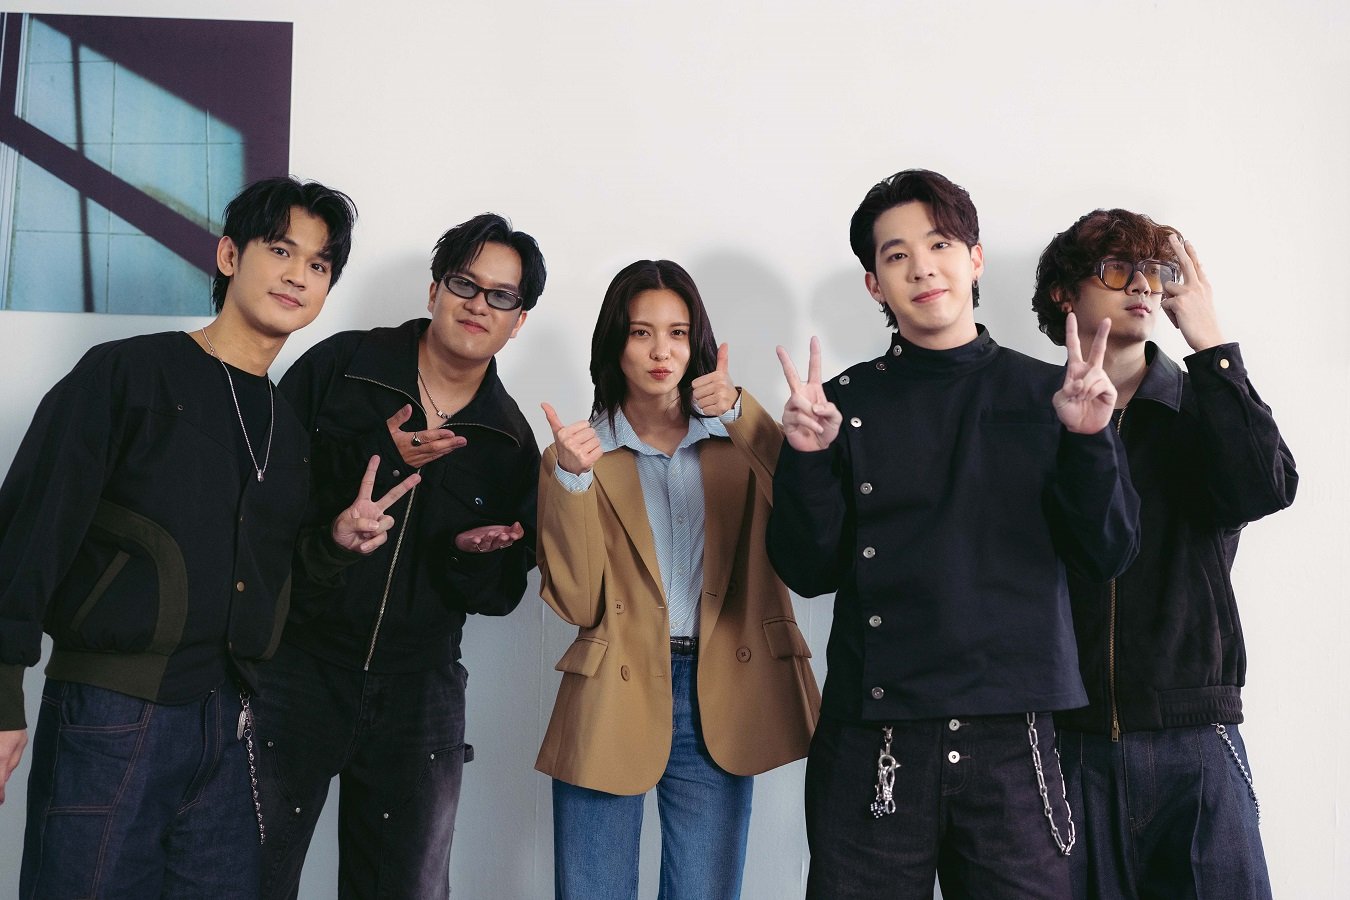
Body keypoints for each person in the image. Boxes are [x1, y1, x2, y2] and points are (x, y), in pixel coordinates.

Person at [0, 177, 415, 898]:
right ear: (229, 255)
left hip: (231, 724)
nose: (298, 275)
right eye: (280, 250)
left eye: (318, 264)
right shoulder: (127, 373)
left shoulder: (287, 427)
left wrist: (333, 543)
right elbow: (29, 530)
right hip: (111, 715)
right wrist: (2, 692)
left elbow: (266, 573)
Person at [766, 168, 1141, 899]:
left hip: (1013, 735)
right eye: (896, 254)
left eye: (939, 244)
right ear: (874, 285)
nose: (922, 267)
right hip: (875, 734)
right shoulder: (835, 407)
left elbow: (1108, 553)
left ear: (975, 259)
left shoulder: (1056, 395)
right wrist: (808, 460)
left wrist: (1090, 440)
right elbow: (808, 571)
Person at [252, 213, 545, 899]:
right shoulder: (341, 368)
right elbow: (262, 496)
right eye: (464, 284)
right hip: (296, 665)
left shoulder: (508, 439)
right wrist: (373, 465)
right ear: (434, 290)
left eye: (501, 296)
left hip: (420, 691)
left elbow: (499, 595)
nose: (478, 304)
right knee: (248, 874)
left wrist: (473, 556)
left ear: (518, 320)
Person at [1030, 209, 1297, 900]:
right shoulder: (1031, 416)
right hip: (1065, 741)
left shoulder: (1203, 402)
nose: (1142, 286)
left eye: (1155, 272)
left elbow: (1267, 489)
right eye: (1118, 269)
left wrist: (1211, 343)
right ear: (1064, 292)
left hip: (1195, 736)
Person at [538, 259, 820, 899]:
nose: (661, 351)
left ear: (697, 343)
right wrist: (573, 481)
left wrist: (743, 412)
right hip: (614, 685)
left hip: (722, 689)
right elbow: (576, 601)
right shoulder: (577, 454)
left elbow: (807, 514)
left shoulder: (740, 442)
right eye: (641, 332)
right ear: (615, 344)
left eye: (677, 332)